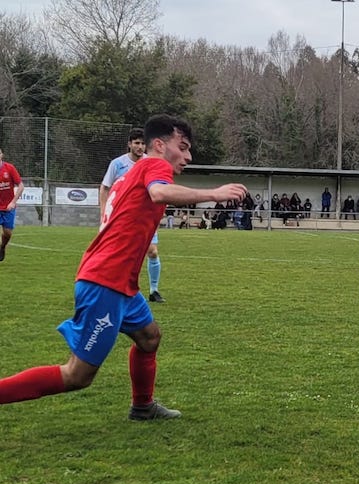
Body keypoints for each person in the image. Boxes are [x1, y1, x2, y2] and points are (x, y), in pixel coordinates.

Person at [0, 114, 248, 419]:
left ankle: (142, 406)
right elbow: (159, 193)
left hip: (121, 284)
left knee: (149, 338)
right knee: (76, 375)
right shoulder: (155, 165)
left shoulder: (134, 171)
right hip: (106, 282)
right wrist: (213, 194)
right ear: (159, 144)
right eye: (182, 147)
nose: (188, 156)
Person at [100, 129, 167, 303]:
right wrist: (104, 213)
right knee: (120, 254)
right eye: (136, 143)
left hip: (145, 216)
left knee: (152, 252)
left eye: (143, 143)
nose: (140, 146)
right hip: (122, 217)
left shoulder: (151, 163)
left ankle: (154, 290)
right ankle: (116, 288)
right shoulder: (117, 164)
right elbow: (105, 187)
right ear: (129, 144)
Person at [0, 148, 24, 262]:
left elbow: (21, 186)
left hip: (8, 207)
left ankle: (2, 247)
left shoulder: (9, 168)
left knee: (7, 233)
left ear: (1, 155)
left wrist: (13, 202)